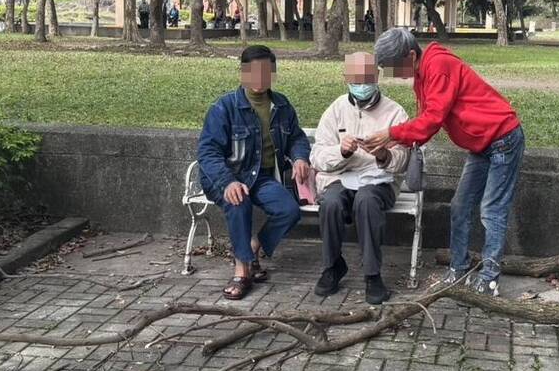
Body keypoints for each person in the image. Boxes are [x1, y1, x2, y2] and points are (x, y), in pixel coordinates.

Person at [366, 28, 525, 297]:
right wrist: (396, 140)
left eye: (394, 67)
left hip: (502, 138)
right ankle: (458, 268)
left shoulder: (438, 66)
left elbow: (431, 121)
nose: (394, 74)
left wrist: (392, 133)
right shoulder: (422, 73)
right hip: (481, 144)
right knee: (460, 206)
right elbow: (424, 120)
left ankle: (489, 280)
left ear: (411, 55)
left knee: (491, 209)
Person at [197, 45, 311, 300]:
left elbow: (297, 138)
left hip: (259, 176)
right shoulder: (224, 107)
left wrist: (300, 157)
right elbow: (208, 151)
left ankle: (253, 247)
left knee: (289, 210)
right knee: (239, 203)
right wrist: (227, 182)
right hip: (224, 177)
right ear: (243, 73)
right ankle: (242, 270)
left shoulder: (281, 105)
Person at [310, 52, 410, 304]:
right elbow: (318, 157)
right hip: (340, 178)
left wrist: (384, 155)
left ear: (377, 76)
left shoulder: (395, 113)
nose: (362, 84)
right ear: (346, 78)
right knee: (331, 203)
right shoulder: (335, 110)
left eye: (367, 78)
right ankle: (332, 266)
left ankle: (372, 274)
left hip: (379, 181)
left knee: (366, 201)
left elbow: (403, 161)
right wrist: (341, 151)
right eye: (355, 79)